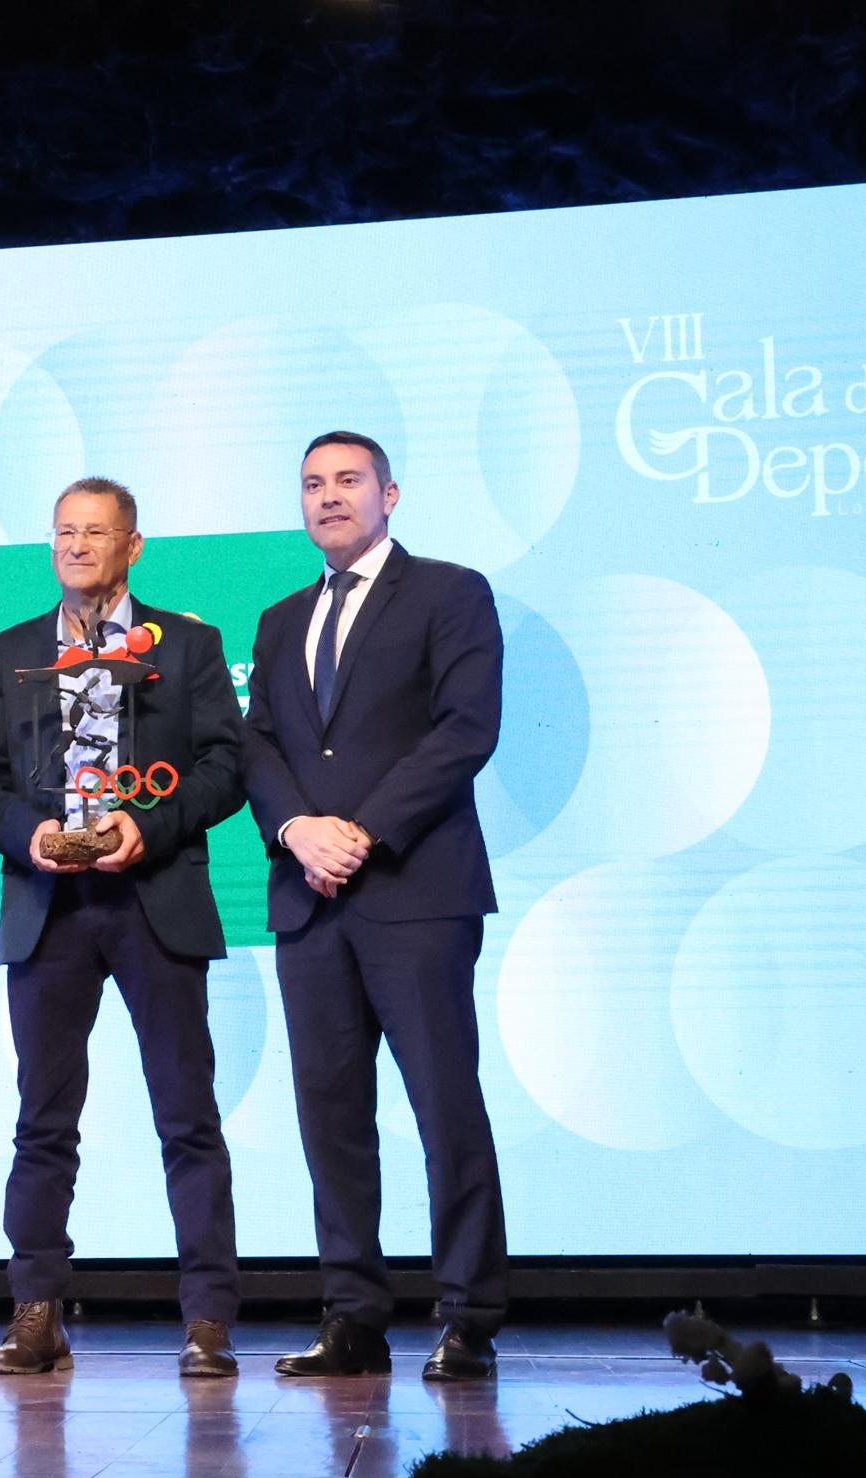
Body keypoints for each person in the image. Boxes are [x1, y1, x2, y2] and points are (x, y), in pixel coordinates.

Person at [0, 478, 248, 1378]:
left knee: (186, 1117)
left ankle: (206, 1320)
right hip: (50, 909)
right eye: (63, 532)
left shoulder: (189, 643)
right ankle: (35, 1312)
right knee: (42, 1121)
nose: (77, 546)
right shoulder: (5, 653)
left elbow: (226, 766)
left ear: (133, 545)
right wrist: (29, 833)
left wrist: (145, 826)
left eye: (96, 532)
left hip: (151, 896)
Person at [240, 431, 507, 1381]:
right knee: (331, 1117)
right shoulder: (277, 619)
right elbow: (257, 745)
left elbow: (465, 728)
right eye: (311, 483)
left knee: (444, 1106)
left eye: (347, 480)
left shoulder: (449, 591)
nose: (328, 497)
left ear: (389, 492)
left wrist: (359, 829)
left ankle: (469, 1314)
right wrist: (295, 832)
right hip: (308, 901)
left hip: (414, 892)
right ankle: (352, 1312)